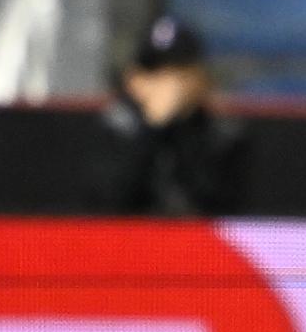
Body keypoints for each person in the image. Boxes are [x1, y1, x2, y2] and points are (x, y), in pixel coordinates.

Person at [94, 14, 248, 216]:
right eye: (155, 72)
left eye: (178, 72)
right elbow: (107, 204)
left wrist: (181, 125)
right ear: (134, 79)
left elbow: (218, 204)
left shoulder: (222, 133)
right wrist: (151, 128)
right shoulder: (118, 127)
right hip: (131, 236)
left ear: (200, 77)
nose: (167, 84)